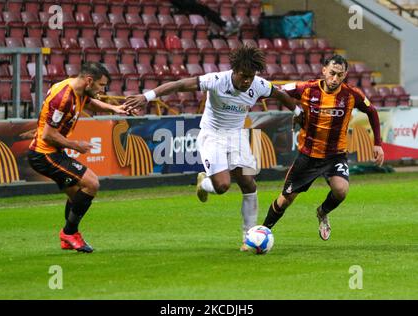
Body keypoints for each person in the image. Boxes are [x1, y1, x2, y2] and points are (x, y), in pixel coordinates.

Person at [124, 45, 301, 250]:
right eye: (243, 76)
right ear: (234, 71)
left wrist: (297, 111)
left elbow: (280, 95)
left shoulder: (259, 85)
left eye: (250, 77)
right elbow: (180, 84)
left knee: (249, 183)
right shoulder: (216, 81)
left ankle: (248, 238)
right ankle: (204, 183)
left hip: (237, 136)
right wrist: (145, 97)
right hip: (212, 135)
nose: (247, 81)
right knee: (223, 186)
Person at [262, 55, 385, 240]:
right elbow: (278, 91)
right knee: (286, 199)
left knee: (341, 190)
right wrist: (296, 111)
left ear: (345, 75)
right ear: (324, 71)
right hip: (309, 156)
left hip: (335, 155)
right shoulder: (306, 88)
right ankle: (262, 231)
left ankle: (322, 212)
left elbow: (372, 111)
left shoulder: (351, 94)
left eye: (340, 75)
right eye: (332, 73)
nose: (335, 79)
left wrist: (378, 144)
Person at [27, 62, 138, 253]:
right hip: (44, 154)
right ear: (89, 81)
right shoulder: (63, 98)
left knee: (76, 195)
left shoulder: (77, 88)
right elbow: (48, 135)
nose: (102, 90)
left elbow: (90, 101)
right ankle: (69, 233)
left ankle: (69, 236)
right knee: (92, 183)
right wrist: (76, 145)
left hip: (52, 151)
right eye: (101, 85)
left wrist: (115, 109)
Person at [170, 0, 238, 36]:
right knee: (206, 10)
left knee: (207, 10)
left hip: (188, 5)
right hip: (185, 6)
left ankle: (225, 25)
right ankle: (225, 25)